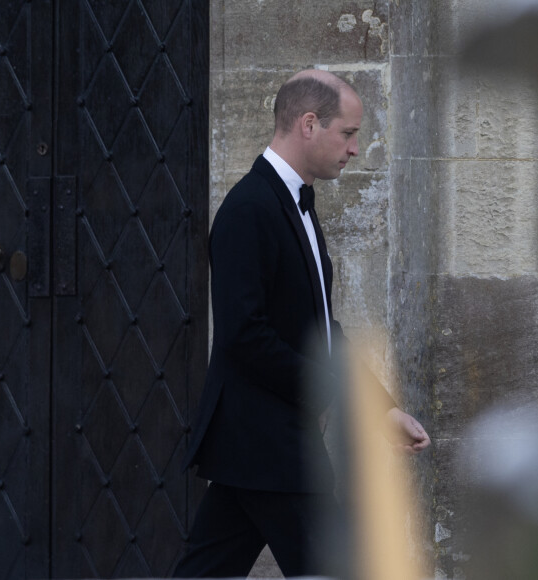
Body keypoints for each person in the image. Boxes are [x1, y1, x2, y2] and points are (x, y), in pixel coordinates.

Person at [174, 69, 431, 578]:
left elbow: (320, 327)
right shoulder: (249, 209)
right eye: (349, 133)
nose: (355, 148)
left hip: (255, 448)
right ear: (309, 124)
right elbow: (242, 334)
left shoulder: (296, 206)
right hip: (269, 445)